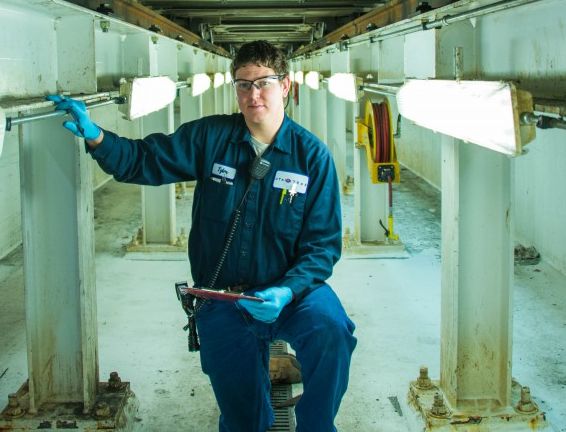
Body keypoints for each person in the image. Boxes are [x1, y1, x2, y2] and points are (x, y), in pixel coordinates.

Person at [47, 40, 356, 432]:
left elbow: (322, 247)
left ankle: (316, 427)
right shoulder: (210, 139)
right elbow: (144, 160)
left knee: (332, 327)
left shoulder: (313, 157)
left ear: (287, 86)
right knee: (243, 420)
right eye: (243, 84)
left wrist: (288, 290)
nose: (253, 94)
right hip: (224, 296)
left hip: (290, 293)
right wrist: (96, 136)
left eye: (263, 82)